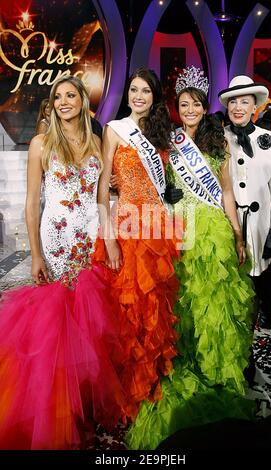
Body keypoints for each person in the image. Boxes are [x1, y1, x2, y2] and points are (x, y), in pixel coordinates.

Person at [125, 66, 255, 450]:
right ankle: (186, 364)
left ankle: (215, 369)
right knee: (184, 302)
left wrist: (236, 233)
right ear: (177, 108)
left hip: (212, 231)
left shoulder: (219, 143)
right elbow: (153, 186)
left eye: (197, 103)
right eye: (184, 104)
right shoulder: (168, 142)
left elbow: (227, 193)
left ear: (204, 106)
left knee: (214, 301)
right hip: (180, 232)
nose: (191, 109)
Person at [0, 76, 126, 449]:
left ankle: (84, 399)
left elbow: (104, 195)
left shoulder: (96, 141)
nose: (64, 102)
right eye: (58, 97)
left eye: (71, 95)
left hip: (89, 240)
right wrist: (36, 253)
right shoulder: (41, 143)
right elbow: (31, 201)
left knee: (89, 323)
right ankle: (58, 407)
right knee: (57, 322)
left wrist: (109, 234)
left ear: (83, 101)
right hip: (56, 240)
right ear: (52, 103)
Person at [93, 67, 182, 422]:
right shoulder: (114, 130)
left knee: (155, 307)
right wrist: (109, 239)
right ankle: (129, 384)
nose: (139, 96)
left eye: (146, 91)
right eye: (134, 90)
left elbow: (170, 185)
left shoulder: (163, 133)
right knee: (128, 310)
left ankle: (153, 377)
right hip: (127, 226)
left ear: (154, 96)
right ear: (127, 94)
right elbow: (103, 188)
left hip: (157, 227)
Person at [218, 76, 271, 329]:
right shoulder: (218, 138)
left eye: (244, 102)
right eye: (233, 101)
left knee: (263, 281)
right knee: (234, 284)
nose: (238, 107)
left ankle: (266, 311)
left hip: (263, 225)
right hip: (229, 224)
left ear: (255, 106)